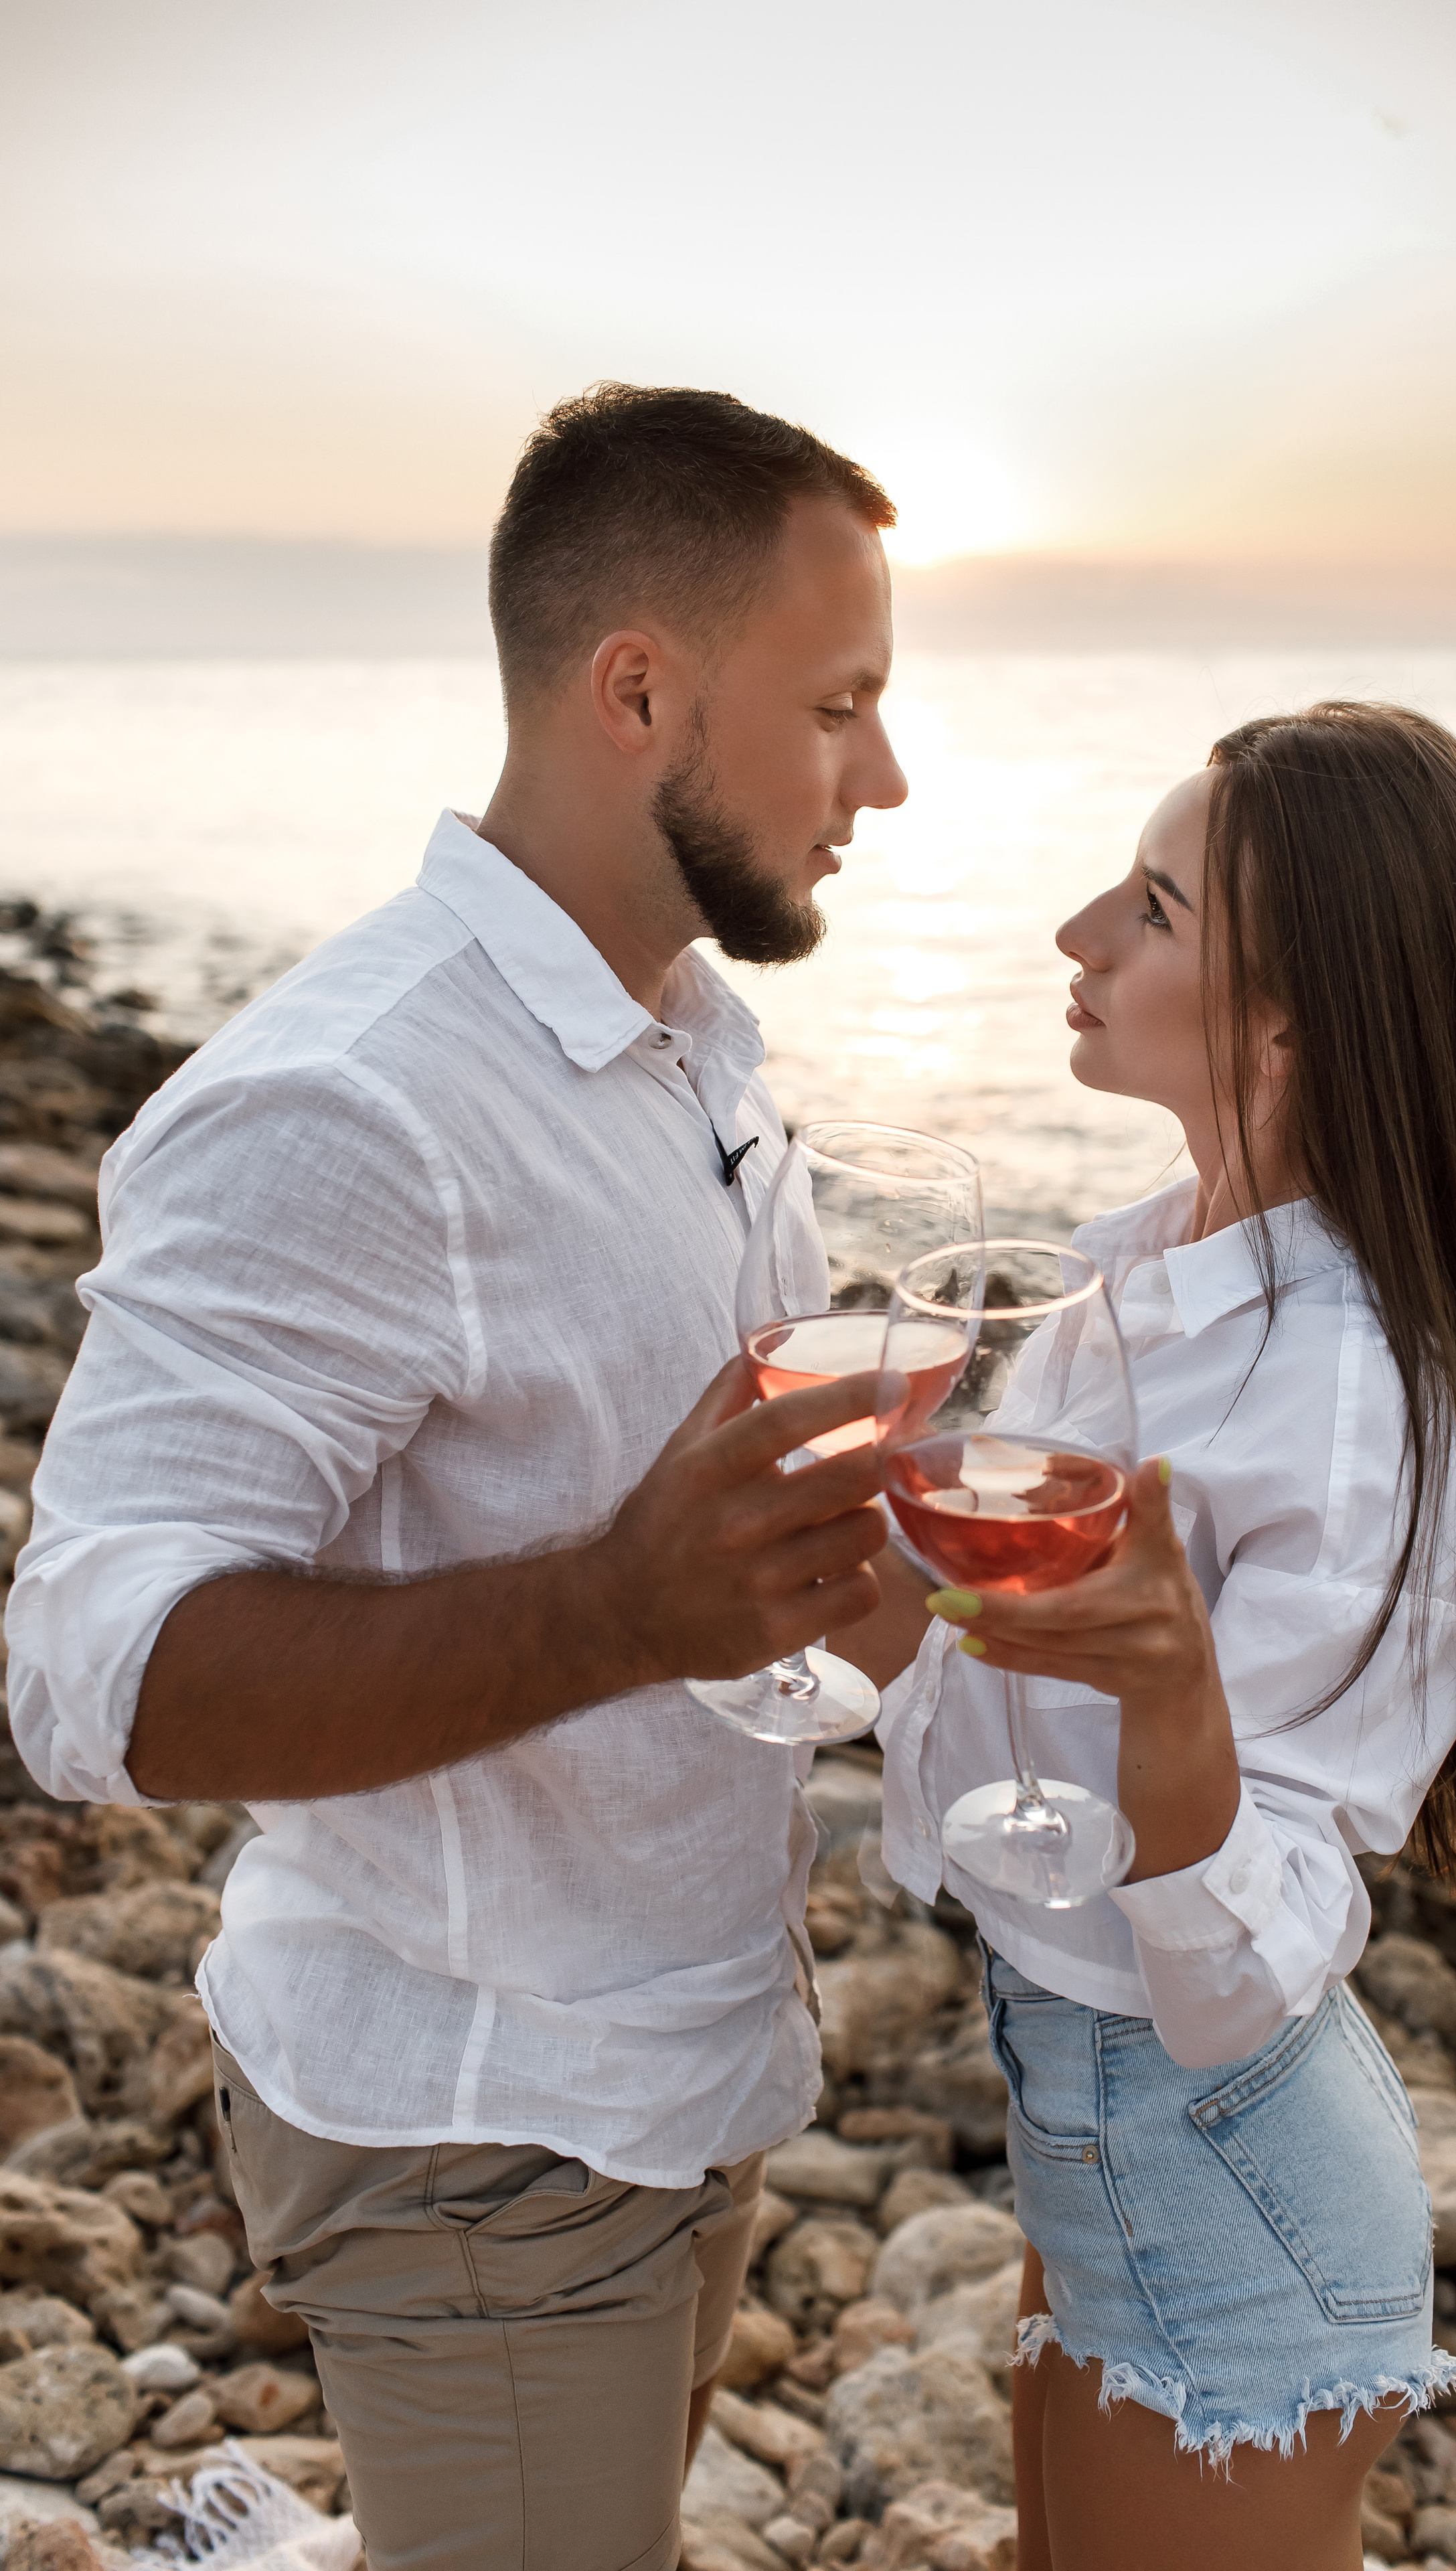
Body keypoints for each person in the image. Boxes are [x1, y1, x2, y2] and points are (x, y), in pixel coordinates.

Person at [7, 383, 910, 2571]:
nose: (884, 777)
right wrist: (619, 1605)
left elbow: (734, 1545)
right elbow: (91, 1672)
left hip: (686, 2066)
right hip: (480, 2131)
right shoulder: (355, 1100)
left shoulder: (691, 1039)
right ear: (639, 691)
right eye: (840, 707)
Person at [840, 702, 1456, 2571]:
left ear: (1291, 1023)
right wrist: (812, 1520)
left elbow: (1246, 1964)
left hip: (1229, 2200)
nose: (1077, 934)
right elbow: (963, 1664)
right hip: (1106, 2155)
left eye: (1152, 909)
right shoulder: (1138, 1275)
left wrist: (1169, 1698)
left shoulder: (1359, 1405)